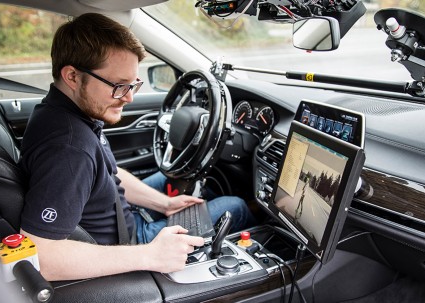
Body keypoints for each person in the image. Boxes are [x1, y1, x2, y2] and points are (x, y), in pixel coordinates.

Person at [18, 13, 254, 281]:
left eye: (133, 85)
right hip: (126, 244)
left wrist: (164, 204)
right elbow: (40, 256)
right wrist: (150, 254)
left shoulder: (63, 114)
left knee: (189, 186)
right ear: (72, 76)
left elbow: (109, 173)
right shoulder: (69, 149)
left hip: (121, 218)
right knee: (234, 205)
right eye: (119, 86)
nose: (129, 97)